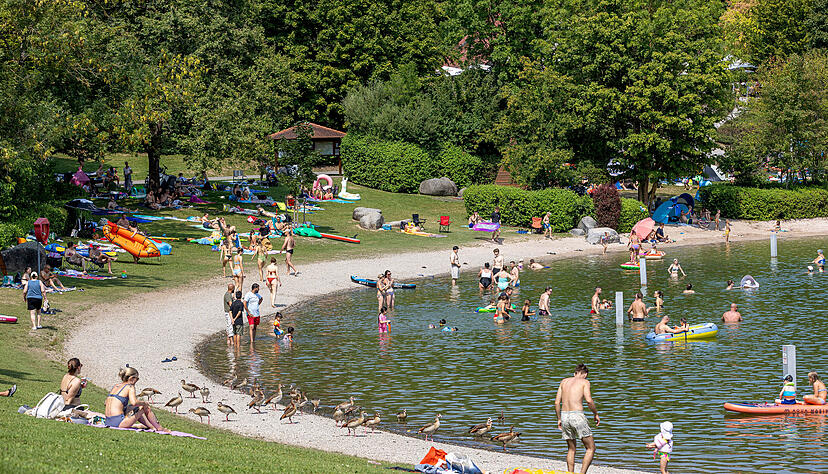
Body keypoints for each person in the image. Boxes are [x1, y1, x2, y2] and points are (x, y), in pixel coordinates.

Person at [555, 364, 599, 474]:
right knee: (590, 448)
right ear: (585, 374)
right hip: (577, 416)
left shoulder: (564, 382)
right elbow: (589, 400)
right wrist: (595, 414)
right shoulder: (585, 382)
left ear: (575, 373)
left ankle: (570, 473)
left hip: (565, 415)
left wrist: (559, 419)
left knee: (571, 449)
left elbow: (556, 402)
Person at [105, 367, 167, 431]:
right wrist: (144, 403)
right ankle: (159, 428)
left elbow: (106, 403)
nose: (137, 381)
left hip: (108, 421)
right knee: (144, 407)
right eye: (137, 379)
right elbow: (134, 402)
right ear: (131, 378)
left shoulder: (116, 386)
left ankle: (151, 426)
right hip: (119, 423)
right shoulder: (130, 387)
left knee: (131, 408)